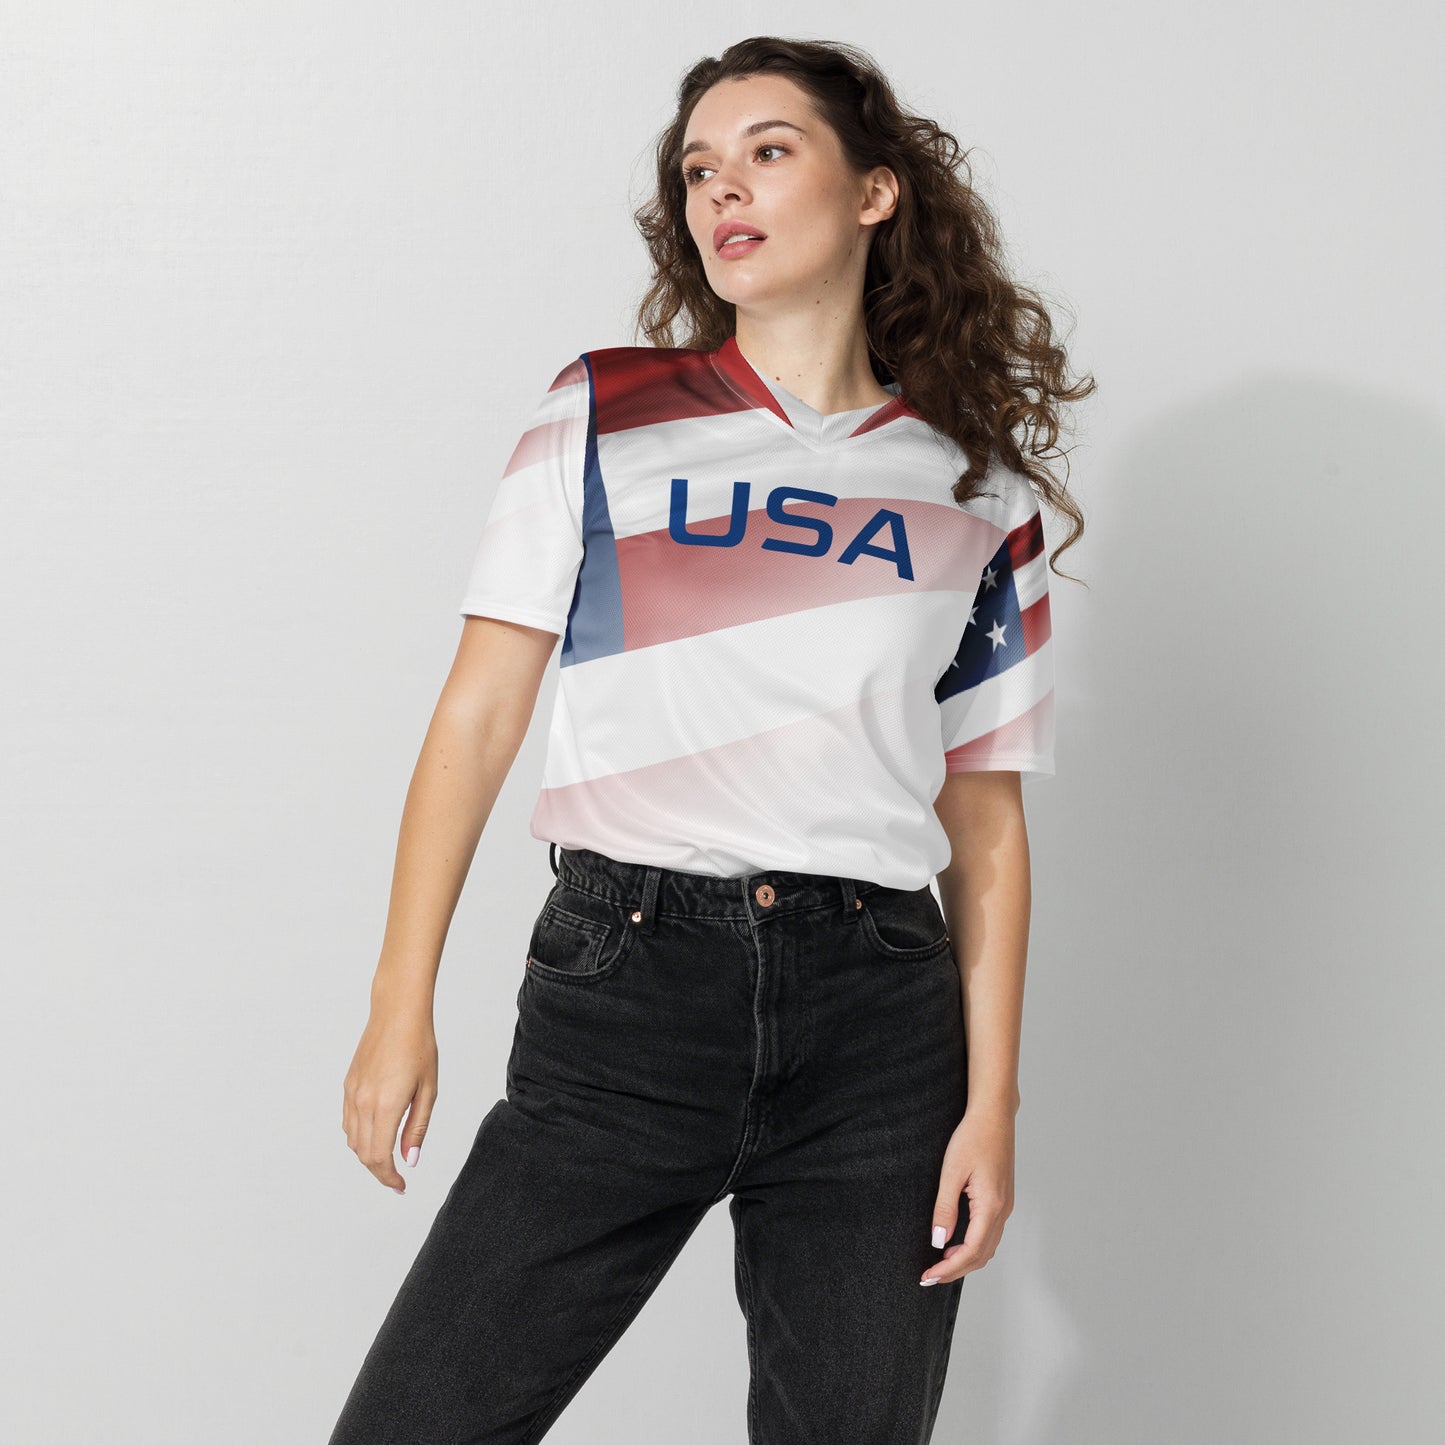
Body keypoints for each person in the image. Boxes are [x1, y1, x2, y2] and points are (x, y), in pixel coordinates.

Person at [328, 34, 1092, 1445]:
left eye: (768, 151)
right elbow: (479, 715)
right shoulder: (605, 413)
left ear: (874, 192)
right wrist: (399, 998)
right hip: (627, 988)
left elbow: (984, 820)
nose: (721, 189)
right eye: (696, 169)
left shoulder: (976, 490)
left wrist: (990, 1102)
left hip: (878, 1027)